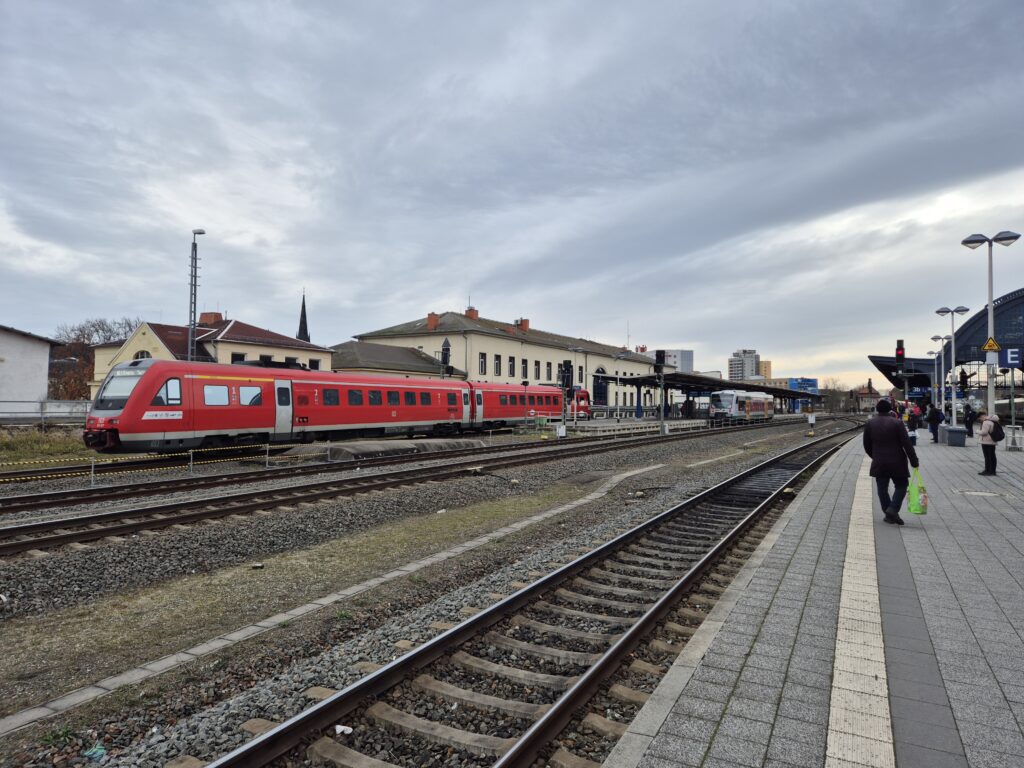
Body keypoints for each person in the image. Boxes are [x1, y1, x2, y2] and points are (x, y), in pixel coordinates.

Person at [864, 398, 920, 525]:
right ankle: (893, 509)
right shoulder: (897, 423)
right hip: (897, 461)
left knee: (882, 488)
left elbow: (866, 445)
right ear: (890, 409)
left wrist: (875, 456)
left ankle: (889, 513)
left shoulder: (870, 423)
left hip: (879, 461)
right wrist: (914, 460)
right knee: (901, 485)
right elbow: (907, 444)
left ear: (877, 409)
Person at [978, 409, 1000, 475]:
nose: (980, 420)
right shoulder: (993, 421)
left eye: (980, 418)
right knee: (992, 456)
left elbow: (984, 432)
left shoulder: (986, 422)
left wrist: (977, 431)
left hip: (986, 442)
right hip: (992, 441)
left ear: (982, 416)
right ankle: (993, 471)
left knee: (987, 457)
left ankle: (988, 470)